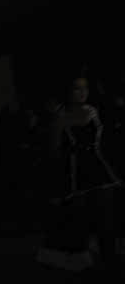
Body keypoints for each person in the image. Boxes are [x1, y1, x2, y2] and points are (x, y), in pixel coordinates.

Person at [38, 75, 122, 272]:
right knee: (81, 223)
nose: (83, 92)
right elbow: (54, 153)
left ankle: (109, 263)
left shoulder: (93, 111)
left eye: (85, 88)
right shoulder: (61, 117)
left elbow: (105, 143)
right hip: (77, 175)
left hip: (101, 171)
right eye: (77, 88)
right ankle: (87, 267)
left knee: (106, 222)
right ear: (68, 92)